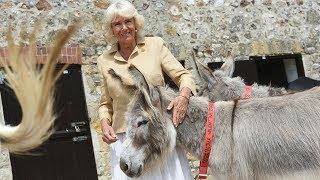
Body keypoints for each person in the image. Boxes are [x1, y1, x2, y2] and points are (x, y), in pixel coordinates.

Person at [97, 1, 196, 179]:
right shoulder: (104, 60)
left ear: (136, 24)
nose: (124, 27)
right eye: (117, 24)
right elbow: (106, 103)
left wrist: (183, 97)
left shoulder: (155, 45)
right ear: (111, 30)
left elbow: (184, 76)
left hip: (157, 137)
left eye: (128, 21)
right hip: (126, 140)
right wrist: (104, 123)